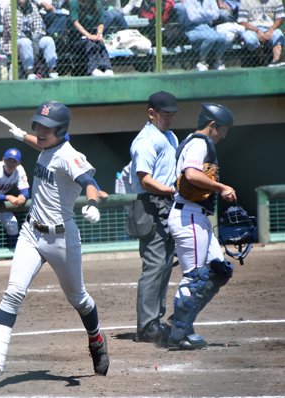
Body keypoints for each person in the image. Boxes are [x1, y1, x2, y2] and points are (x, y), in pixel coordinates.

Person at [0, 101, 109, 381]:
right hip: (31, 233)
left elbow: (88, 181)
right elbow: (42, 147)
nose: (39, 130)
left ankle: (95, 338)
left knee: (80, 299)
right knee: (13, 292)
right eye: (38, 124)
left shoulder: (70, 155)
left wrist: (94, 203)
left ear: (61, 131)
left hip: (62, 238)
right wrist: (20, 135)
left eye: (47, 128)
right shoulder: (48, 146)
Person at [164, 103, 237, 349]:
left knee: (218, 270)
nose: (224, 135)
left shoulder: (193, 141)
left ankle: (182, 319)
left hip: (197, 216)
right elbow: (192, 174)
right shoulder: (199, 143)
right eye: (223, 130)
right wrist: (222, 187)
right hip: (189, 217)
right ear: (213, 125)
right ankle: (179, 335)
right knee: (194, 277)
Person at [128, 91, 179, 344]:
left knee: (167, 264)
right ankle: (147, 325)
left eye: (172, 114)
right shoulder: (146, 140)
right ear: (152, 113)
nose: (169, 118)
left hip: (168, 203)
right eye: (165, 114)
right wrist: (172, 190)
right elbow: (144, 179)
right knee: (154, 265)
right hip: (149, 204)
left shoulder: (169, 136)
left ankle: (156, 320)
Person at [0, 148, 30, 249]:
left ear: (18, 163)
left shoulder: (20, 170)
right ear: (3, 160)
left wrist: (22, 196)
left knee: (13, 225)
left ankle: (11, 254)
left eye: (14, 161)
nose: (11, 164)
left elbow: (25, 192)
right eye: (8, 160)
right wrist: (9, 197)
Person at [0, 0, 59, 79]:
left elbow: (39, 26)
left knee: (48, 40)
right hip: (13, 43)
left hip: (33, 40)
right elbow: (14, 32)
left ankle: (52, 70)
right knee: (25, 42)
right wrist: (31, 42)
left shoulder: (32, 7)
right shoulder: (10, 9)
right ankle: (29, 71)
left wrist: (35, 41)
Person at [68, 0, 115, 76]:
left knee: (100, 43)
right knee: (90, 43)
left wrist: (99, 34)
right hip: (77, 38)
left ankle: (107, 68)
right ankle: (93, 69)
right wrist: (89, 36)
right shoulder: (74, 2)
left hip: (93, 35)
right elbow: (75, 23)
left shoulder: (97, 3)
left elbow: (101, 23)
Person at [182, 0, 229, 71]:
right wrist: (208, 14)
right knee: (211, 37)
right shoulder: (189, 1)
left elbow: (216, 15)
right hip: (192, 29)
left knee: (223, 38)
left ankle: (217, 61)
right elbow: (192, 18)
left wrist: (200, 12)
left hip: (208, 27)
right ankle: (202, 62)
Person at [237, 0, 284, 67]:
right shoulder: (245, 1)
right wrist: (257, 31)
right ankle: (260, 59)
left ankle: (276, 62)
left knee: (278, 34)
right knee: (249, 38)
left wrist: (271, 30)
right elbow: (242, 22)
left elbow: (280, 18)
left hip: (271, 27)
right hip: (252, 29)